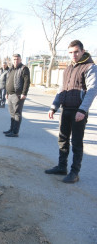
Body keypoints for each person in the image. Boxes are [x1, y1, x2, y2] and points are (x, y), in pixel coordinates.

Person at [45, 40, 97, 183]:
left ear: (82, 51)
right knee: (62, 139)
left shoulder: (90, 67)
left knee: (76, 142)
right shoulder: (68, 68)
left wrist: (82, 109)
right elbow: (62, 89)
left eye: (76, 52)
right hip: (66, 109)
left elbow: (92, 90)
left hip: (78, 111)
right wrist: (54, 106)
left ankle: (75, 172)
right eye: (70, 52)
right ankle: (62, 167)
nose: (73, 55)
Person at [3, 54, 30, 137]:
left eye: (17, 59)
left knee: (17, 113)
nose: (16, 61)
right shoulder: (11, 69)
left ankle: (15, 132)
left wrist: (24, 93)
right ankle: (11, 129)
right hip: (10, 94)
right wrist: (7, 93)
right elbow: (8, 81)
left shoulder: (23, 68)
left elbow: (27, 82)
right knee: (12, 113)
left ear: (20, 60)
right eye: (14, 59)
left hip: (17, 95)